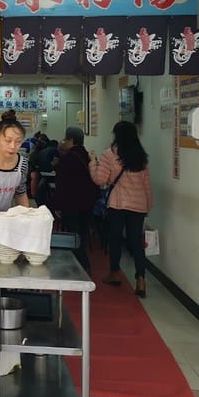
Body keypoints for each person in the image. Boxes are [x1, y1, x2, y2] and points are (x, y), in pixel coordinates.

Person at [89, 121, 153, 297]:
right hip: (138, 205)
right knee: (135, 242)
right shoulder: (141, 157)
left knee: (115, 238)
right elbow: (147, 185)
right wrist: (148, 205)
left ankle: (114, 273)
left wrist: (92, 164)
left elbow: (100, 180)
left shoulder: (109, 155)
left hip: (118, 205)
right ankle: (141, 279)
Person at [53, 127, 99, 273]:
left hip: (71, 203)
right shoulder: (88, 156)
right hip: (88, 202)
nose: (64, 142)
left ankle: (83, 265)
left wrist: (57, 205)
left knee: (73, 234)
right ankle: (81, 263)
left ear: (71, 140)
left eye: (65, 139)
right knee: (82, 233)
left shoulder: (67, 158)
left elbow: (61, 184)